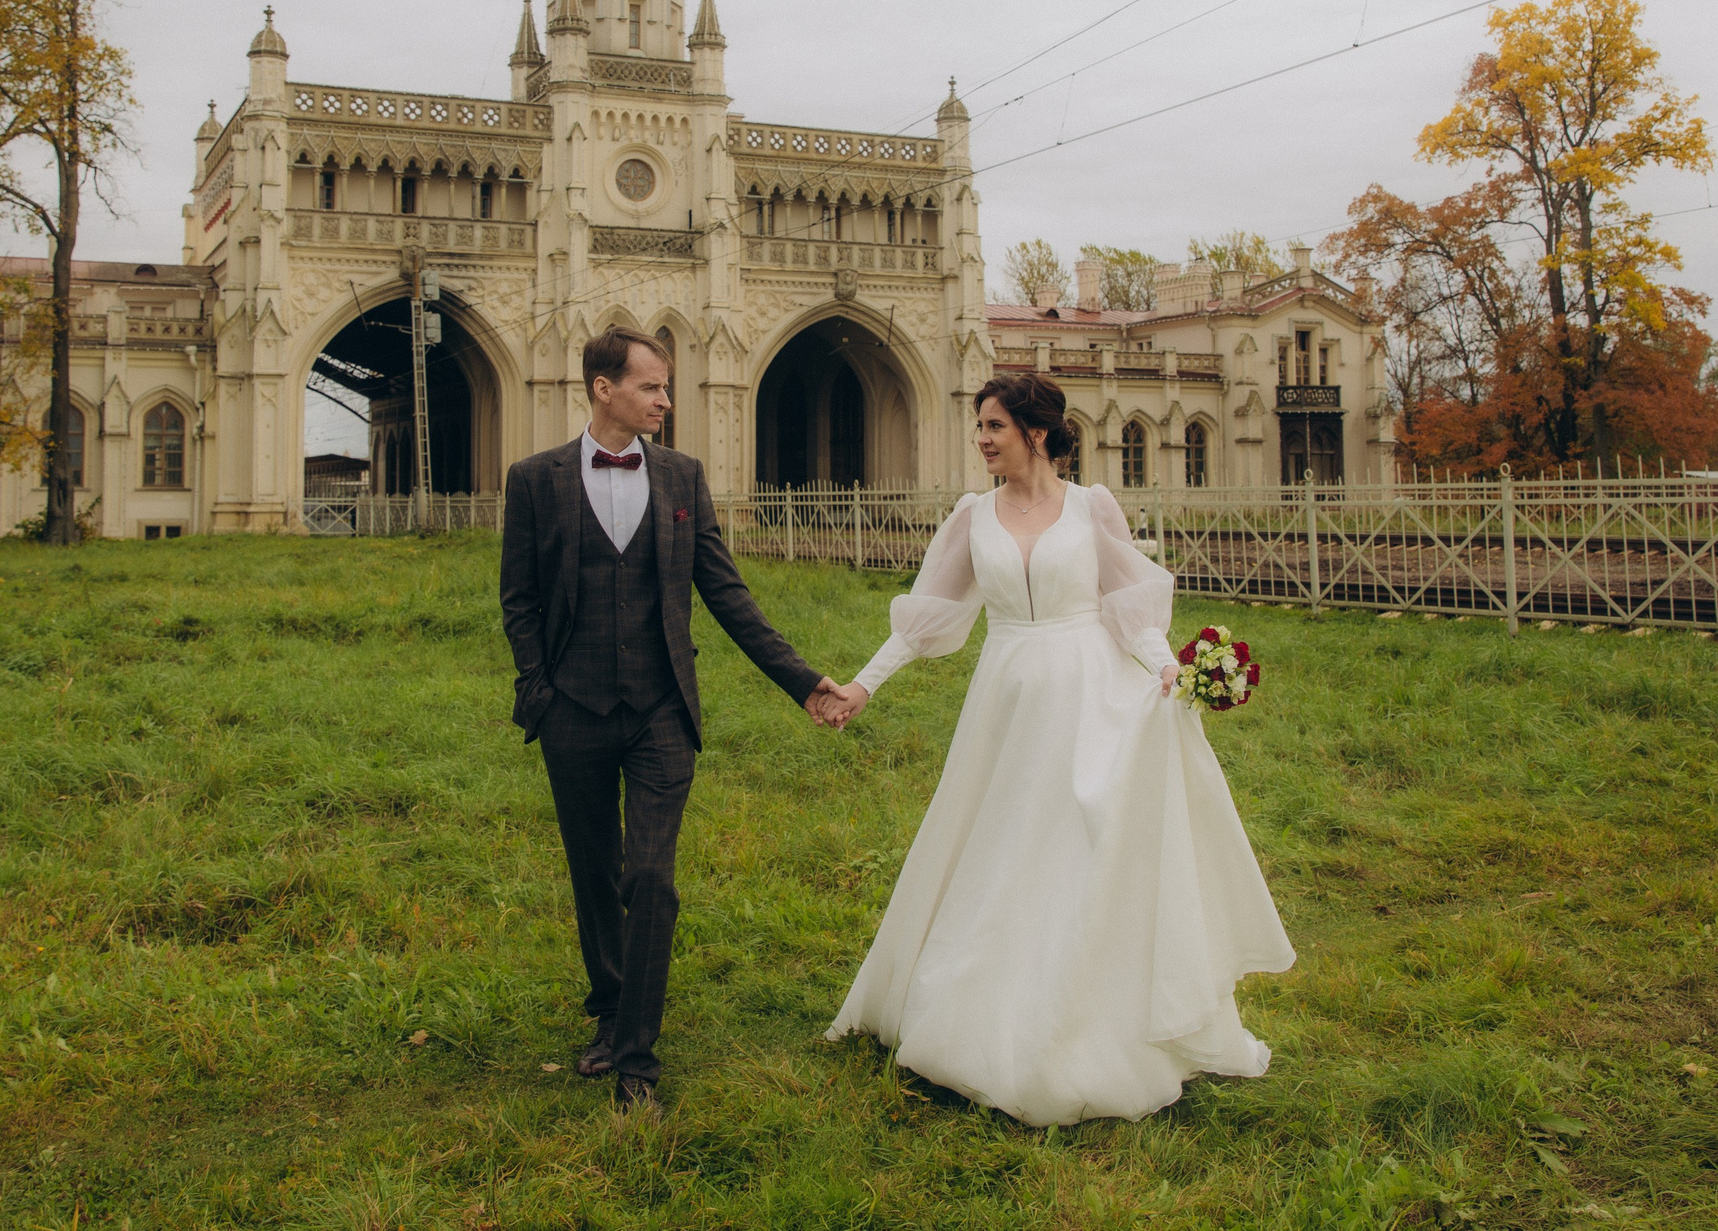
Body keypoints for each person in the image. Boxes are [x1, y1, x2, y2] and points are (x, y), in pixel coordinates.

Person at [813, 371, 1295, 1126]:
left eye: (994, 426)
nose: (981, 439)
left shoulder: (1091, 507)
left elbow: (1127, 611)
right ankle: (977, 1007)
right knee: (998, 845)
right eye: (979, 427)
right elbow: (925, 620)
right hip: (1006, 701)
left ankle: (1085, 1009)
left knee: (1080, 841)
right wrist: (863, 686)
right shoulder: (972, 515)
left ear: (1036, 432)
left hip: (1090, 693)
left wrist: (1167, 666)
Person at [500, 326, 846, 1115]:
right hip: (573, 710)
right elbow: (518, 596)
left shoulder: (684, 476)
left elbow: (727, 595)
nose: (665, 399)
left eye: (666, 386)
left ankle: (637, 1065)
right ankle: (611, 1006)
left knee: (649, 876)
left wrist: (802, 682)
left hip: (661, 709)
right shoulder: (535, 479)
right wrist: (540, 688)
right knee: (594, 874)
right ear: (603, 388)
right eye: (653, 386)